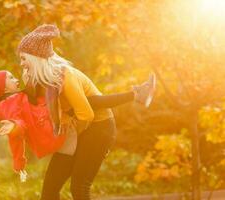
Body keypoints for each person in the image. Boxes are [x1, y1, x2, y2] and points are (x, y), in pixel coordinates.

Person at [16, 24, 156, 200]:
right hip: (77, 129)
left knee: (79, 188)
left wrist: (67, 121)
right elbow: (36, 107)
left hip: (99, 128)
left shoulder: (65, 77)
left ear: (35, 58)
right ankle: (137, 93)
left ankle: (137, 93)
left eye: (23, 58)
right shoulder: (45, 81)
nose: (21, 63)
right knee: (49, 191)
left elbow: (87, 114)